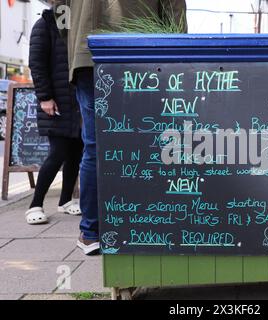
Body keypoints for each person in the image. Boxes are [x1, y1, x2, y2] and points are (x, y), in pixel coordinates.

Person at [67, 0, 187, 255]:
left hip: (86, 54)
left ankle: (91, 233)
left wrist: (73, 44)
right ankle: (141, 225)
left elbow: (60, 13)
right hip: (142, 53)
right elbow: (173, 10)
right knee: (144, 139)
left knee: (95, 145)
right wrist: (178, 53)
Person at [26, 8, 83, 225]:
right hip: (57, 101)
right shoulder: (44, 25)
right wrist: (45, 97)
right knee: (58, 152)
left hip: (77, 101)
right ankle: (35, 204)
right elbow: (37, 64)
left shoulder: (77, 25)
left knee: (76, 152)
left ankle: (66, 201)